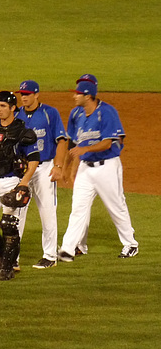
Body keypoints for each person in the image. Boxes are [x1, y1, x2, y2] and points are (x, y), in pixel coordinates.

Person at [58, 80, 138, 261]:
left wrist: (85, 149)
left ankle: (130, 244)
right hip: (86, 169)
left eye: (78, 93)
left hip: (107, 166)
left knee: (116, 206)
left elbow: (108, 142)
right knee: (78, 208)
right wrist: (66, 167)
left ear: (88, 96)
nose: (74, 96)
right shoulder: (76, 113)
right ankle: (70, 249)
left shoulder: (107, 112)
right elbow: (72, 143)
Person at [0, 91, 38, 281]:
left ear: (13, 108)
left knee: (9, 224)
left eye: (3, 106)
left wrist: (23, 183)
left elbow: (34, 159)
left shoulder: (22, 130)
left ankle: (8, 266)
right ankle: (4, 256)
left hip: (11, 181)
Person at [15, 80, 68, 269]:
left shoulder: (50, 113)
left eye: (28, 94)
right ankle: (13, 258)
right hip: (23, 171)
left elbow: (62, 140)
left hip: (45, 168)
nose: (24, 97)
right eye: (22, 94)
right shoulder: (16, 114)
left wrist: (59, 166)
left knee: (47, 211)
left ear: (37, 95)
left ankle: (50, 256)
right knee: (17, 214)